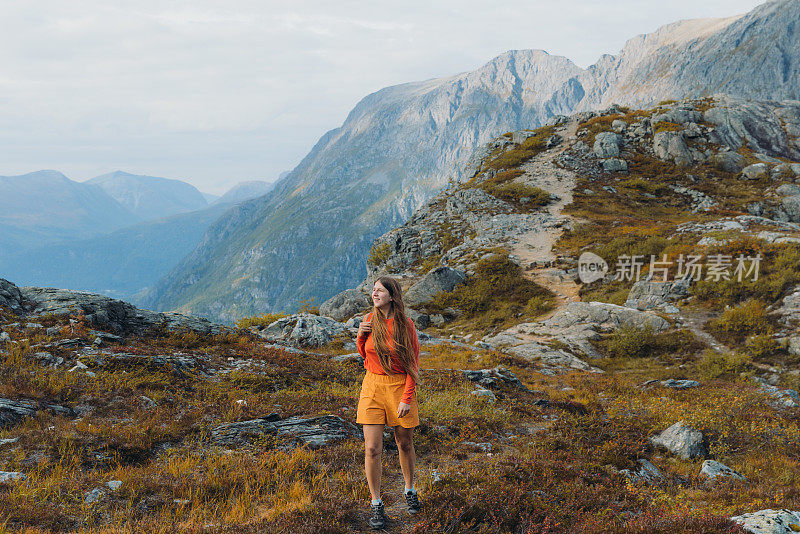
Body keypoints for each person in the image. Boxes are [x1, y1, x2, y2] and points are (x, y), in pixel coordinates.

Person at [356, 276, 421, 530]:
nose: (374, 294)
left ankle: (409, 489)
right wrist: (361, 337)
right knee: (372, 448)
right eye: (373, 290)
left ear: (392, 296)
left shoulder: (406, 325)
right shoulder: (370, 319)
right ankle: (376, 503)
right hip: (371, 386)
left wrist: (406, 397)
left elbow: (413, 365)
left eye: (380, 291)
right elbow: (366, 356)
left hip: (398, 386)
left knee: (404, 443)